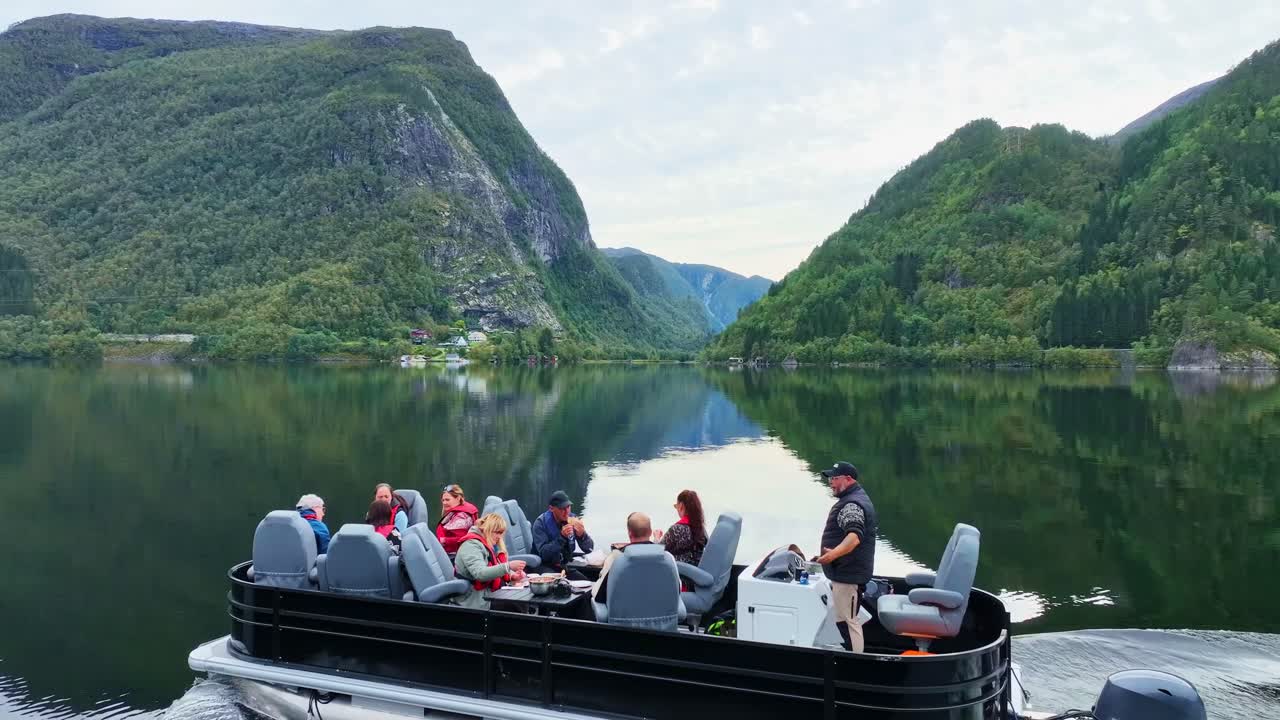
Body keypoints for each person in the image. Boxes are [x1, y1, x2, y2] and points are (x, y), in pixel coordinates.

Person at [814, 461, 877, 653]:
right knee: (846, 620)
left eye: (834, 478)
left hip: (848, 575)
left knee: (848, 623)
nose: (830, 482)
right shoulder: (856, 498)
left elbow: (854, 538)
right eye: (830, 479)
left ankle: (856, 667)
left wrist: (830, 556)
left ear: (848, 479)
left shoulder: (852, 504)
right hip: (848, 572)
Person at [453, 513, 527, 610]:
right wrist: (508, 566)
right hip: (474, 599)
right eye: (497, 532)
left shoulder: (485, 543)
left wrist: (512, 575)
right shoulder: (471, 546)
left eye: (501, 533)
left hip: (488, 593)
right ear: (487, 529)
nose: (499, 537)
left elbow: (495, 564)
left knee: (520, 600)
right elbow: (480, 573)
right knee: (516, 605)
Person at [592, 511, 658, 604]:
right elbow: (677, 588)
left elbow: (599, 595)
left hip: (622, 616)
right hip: (660, 616)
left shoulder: (616, 559)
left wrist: (594, 586)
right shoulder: (667, 558)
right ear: (651, 532)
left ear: (629, 534)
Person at [531, 490, 595, 581]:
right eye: (562, 509)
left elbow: (589, 549)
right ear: (551, 508)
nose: (566, 512)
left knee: (587, 584)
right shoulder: (540, 524)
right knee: (562, 584)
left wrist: (582, 535)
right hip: (543, 566)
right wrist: (562, 537)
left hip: (563, 565)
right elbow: (544, 554)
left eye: (568, 507)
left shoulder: (573, 519)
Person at [660, 489, 708, 567]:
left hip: (680, 573)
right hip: (697, 571)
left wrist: (656, 537)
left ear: (681, 506)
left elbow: (658, 552)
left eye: (676, 506)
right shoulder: (701, 528)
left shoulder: (677, 529)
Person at [435, 484, 479, 556]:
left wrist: (442, 540)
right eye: (443, 500)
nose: (444, 503)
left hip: (455, 556)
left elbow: (462, 539)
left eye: (447, 500)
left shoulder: (461, 517)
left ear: (458, 498)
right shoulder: (460, 510)